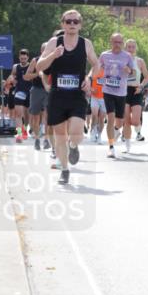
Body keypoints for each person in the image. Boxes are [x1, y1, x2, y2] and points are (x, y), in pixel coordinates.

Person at [37, 11, 97, 184]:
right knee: (60, 135)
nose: (72, 24)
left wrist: (89, 78)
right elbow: (40, 66)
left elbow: (97, 64)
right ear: (63, 24)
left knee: (76, 132)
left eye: (76, 21)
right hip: (58, 94)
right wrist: (53, 55)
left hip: (77, 94)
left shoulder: (86, 44)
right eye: (68, 21)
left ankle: (73, 145)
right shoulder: (54, 42)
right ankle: (64, 169)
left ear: (80, 24)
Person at [95, 32, 133, 158]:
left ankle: (116, 132)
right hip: (108, 91)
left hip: (121, 92)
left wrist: (128, 70)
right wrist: (90, 76)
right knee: (110, 118)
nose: (117, 45)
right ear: (111, 42)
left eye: (119, 42)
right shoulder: (104, 55)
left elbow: (132, 72)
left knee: (120, 122)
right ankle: (111, 147)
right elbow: (97, 67)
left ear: (122, 43)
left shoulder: (127, 56)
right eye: (115, 42)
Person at [122, 38, 148, 149]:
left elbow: (147, 77)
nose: (131, 49)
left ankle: (138, 132)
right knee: (127, 119)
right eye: (129, 47)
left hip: (136, 91)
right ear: (125, 48)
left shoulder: (140, 61)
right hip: (124, 91)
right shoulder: (121, 60)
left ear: (136, 48)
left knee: (136, 120)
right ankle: (127, 143)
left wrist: (141, 86)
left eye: (133, 47)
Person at [25, 44, 50, 149]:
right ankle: (36, 138)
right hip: (37, 90)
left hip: (49, 90)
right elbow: (26, 76)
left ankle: (46, 139)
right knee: (35, 116)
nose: (46, 52)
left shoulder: (53, 59)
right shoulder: (35, 60)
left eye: (48, 49)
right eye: (44, 50)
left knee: (47, 116)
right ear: (41, 51)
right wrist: (37, 74)